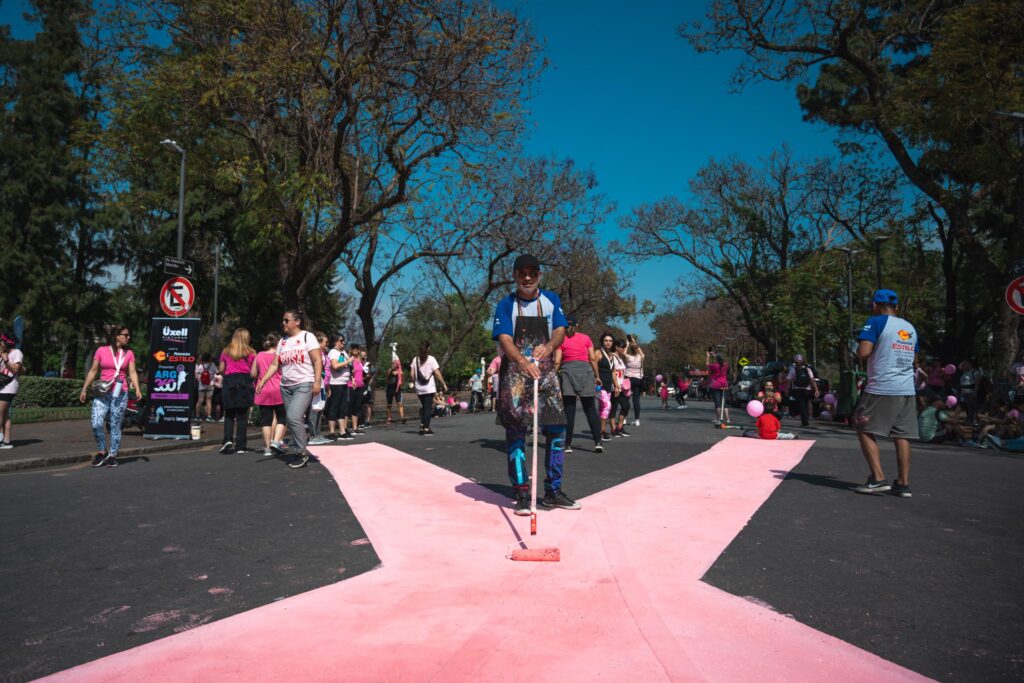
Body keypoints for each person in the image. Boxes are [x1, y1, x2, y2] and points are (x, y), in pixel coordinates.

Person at [492, 253, 579, 515]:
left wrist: (550, 346)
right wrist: (521, 360)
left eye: (532, 272)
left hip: (546, 375)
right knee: (516, 432)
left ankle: (553, 491)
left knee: (556, 430)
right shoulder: (506, 304)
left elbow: (560, 330)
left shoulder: (551, 300)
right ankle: (521, 493)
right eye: (522, 273)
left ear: (539, 274)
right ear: (515, 276)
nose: (527, 277)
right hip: (515, 376)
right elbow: (505, 338)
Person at [852, 289, 920, 498]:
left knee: (862, 425)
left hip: (882, 386)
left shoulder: (875, 322)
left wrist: (858, 350)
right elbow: (916, 360)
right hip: (907, 388)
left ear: (875, 306)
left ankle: (878, 478)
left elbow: (864, 352)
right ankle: (903, 484)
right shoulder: (909, 327)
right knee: (902, 435)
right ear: (897, 307)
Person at [255, 309, 323, 469]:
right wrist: (263, 380)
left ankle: (301, 453)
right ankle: (300, 450)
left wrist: (317, 381)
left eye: (286, 320)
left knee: (293, 416)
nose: (283, 323)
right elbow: (275, 364)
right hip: (286, 387)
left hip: (304, 383)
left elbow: (317, 360)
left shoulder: (307, 337)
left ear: (297, 322)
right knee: (292, 420)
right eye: (283, 320)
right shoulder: (283, 341)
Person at [79, 325, 142, 467]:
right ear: (116, 336)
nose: (128, 337)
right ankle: (102, 452)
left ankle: (113, 455)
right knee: (96, 422)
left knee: (115, 424)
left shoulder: (129, 353)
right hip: (103, 392)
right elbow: (93, 370)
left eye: (128, 335)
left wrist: (137, 388)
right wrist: (84, 389)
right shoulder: (101, 351)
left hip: (120, 392)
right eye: (125, 335)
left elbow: (132, 372)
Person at [554, 316, 604, 454]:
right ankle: (598, 442)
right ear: (577, 326)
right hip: (586, 372)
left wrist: (552, 377)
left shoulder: (560, 340)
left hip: (567, 371)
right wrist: (597, 376)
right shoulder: (586, 338)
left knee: (569, 410)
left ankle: (568, 445)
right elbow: (592, 358)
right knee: (590, 409)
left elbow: (557, 361)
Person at [218, 327, 256, 454]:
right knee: (242, 415)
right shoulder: (251, 352)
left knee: (229, 413)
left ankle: (227, 440)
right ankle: (240, 446)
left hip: (229, 381)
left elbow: (221, 369)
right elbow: (254, 371)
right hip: (245, 381)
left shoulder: (226, 351)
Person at [252, 333, 286, 456]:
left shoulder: (259, 355)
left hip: (263, 389)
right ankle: (276, 441)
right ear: (277, 343)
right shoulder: (279, 355)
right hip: (278, 389)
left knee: (266, 420)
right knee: (282, 417)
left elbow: (253, 374)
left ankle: (267, 448)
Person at [411, 340, 447, 435]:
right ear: (428, 348)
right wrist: (443, 383)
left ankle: (422, 425)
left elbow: (412, 374)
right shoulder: (431, 359)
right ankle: (426, 428)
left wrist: (413, 383)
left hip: (419, 387)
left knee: (423, 407)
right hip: (429, 387)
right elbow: (437, 373)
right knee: (427, 408)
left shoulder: (415, 359)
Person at [325, 335, 354, 439]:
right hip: (336, 383)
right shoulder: (333, 352)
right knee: (334, 407)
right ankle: (332, 432)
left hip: (344, 383)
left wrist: (352, 378)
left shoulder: (343, 352)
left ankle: (342, 431)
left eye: (344, 340)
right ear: (336, 342)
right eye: (341, 340)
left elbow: (346, 366)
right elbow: (335, 366)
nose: (343, 342)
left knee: (343, 407)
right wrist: (348, 361)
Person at [307, 332, 333, 446]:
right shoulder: (315, 354)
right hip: (316, 383)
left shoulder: (324, 354)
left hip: (324, 385)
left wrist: (328, 386)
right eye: (325, 342)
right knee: (314, 408)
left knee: (320, 409)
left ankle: (318, 433)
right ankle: (313, 435)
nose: (327, 344)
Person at [0, 332, 24, 449]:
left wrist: (6, 360)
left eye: (1, 341)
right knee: (4, 415)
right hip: (2, 386)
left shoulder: (16, 353)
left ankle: (1, 440)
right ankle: (6, 441)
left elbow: (15, 370)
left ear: (7, 342)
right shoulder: (3, 354)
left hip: (9, 387)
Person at [786, 354, 820, 427]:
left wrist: (787, 390)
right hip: (807, 390)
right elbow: (812, 380)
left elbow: (788, 381)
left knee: (801, 406)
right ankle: (806, 420)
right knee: (807, 404)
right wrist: (816, 390)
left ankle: (804, 422)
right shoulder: (808, 369)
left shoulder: (793, 369)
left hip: (797, 389)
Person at [595, 333, 616, 440]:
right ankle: (602, 430)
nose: (608, 342)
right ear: (602, 342)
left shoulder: (611, 355)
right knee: (607, 405)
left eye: (610, 341)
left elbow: (613, 371)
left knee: (603, 407)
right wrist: (596, 377)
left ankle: (598, 430)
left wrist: (616, 385)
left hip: (608, 385)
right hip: (599, 385)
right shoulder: (598, 353)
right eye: (606, 340)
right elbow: (592, 364)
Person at [609, 339, 631, 437]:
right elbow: (611, 372)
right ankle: (613, 429)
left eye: (625, 347)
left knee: (626, 406)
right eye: (622, 347)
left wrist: (629, 343)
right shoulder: (612, 357)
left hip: (623, 387)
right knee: (613, 408)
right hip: (614, 386)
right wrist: (615, 385)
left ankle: (620, 427)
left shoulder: (620, 358)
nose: (624, 349)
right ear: (617, 347)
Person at [623, 335, 645, 426]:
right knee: (636, 400)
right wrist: (634, 342)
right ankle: (637, 420)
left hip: (628, 380)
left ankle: (623, 418)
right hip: (638, 380)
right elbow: (641, 352)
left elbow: (623, 353)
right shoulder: (641, 357)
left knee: (626, 399)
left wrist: (627, 344)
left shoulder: (628, 357)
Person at [706, 348, 730, 424]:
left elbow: (707, 364)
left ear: (716, 359)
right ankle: (728, 419)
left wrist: (708, 356)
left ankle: (719, 419)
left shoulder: (714, 366)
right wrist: (715, 355)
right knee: (724, 402)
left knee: (717, 402)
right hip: (725, 385)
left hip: (716, 385)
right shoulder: (725, 365)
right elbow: (721, 359)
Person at [347, 343, 365, 434]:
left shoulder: (361, 360)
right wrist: (351, 375)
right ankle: (345, 428)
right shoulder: (349, 359)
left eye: (357, 348)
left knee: (357, 407)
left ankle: (355, 427)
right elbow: (347, 371)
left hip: (360, 385)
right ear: (351, 349)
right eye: (353, 348)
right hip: (351, 385)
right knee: (349, 406)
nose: (355, 350)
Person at [195, 353, 217, 421]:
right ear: (209, 358)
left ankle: (197, 416)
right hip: (210, 385)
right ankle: (209, 416)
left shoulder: (201, 366)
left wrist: (200, 380)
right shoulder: (213, 365)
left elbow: (196, 374)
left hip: (202, 385)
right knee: (209, 401)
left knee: (200, 400)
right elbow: (217, 372)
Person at [385, 357, 405, 424]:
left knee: (399, 403)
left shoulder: (400, 372)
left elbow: (403, 380)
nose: (393, 364)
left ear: (397, 364)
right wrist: (389, 382)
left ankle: (402, 418)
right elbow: (387, 379)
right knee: (389, 405)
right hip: (390, 389)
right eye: (392, 363)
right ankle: (389, 418)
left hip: (397, 389)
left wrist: (400, 382)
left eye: (394, 363)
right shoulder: (389, 371)